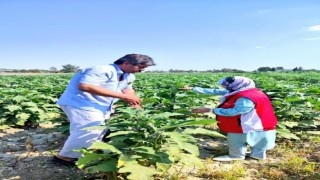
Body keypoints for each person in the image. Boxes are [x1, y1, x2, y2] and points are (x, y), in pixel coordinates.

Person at [53, 54, 155, 165]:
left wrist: (135, 104)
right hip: (81, 103)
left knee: (100, 128)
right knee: (89, 129)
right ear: (126, 63)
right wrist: (123, 97)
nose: (142, 70)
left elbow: (127, 89)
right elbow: (85, 86)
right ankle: (65, 157)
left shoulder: (128, 76)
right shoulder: (103, 69)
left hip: (100, 105)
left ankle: (88, 152)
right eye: (140, 67)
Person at [179, 76, 278, 161]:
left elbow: (235, 111)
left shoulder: (245, 97)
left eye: (228, 85)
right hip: (262, 121)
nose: (225, 87)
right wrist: (193, 89)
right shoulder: (248, 90)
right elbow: (216, 91)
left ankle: (236, 156)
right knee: (258, 139)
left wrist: (210, 110)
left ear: (238, 84)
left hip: (247, 123)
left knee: (237, 139)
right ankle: (257, 155)